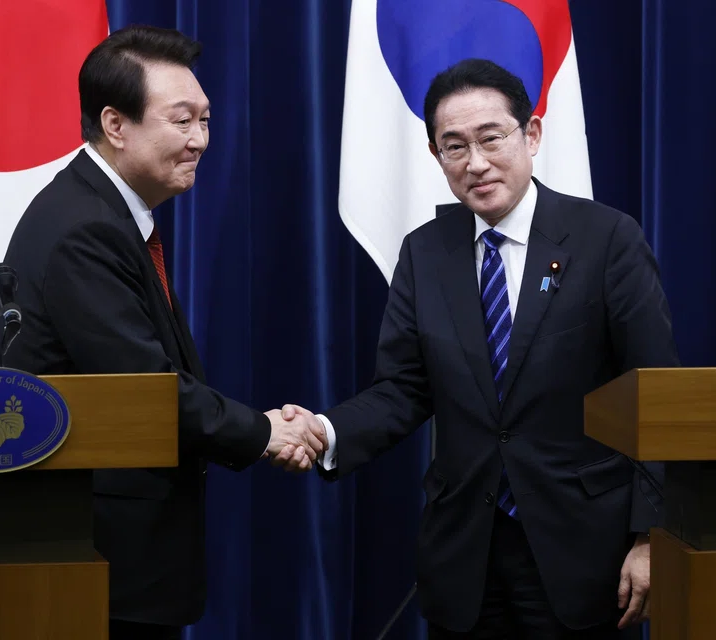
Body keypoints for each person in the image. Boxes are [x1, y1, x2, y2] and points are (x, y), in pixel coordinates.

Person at [277, 58, 679, 639]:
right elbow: (403, 389)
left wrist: (650, 535)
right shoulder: (425, 253)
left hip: (582, 549)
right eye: (454, 147)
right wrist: (323, 431)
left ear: (532, 134)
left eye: (492, 138)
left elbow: (655, 391)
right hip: (466, 554)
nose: (477, 163)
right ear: (437, 156)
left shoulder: (606, 239)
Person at [0, 25, 326, 640]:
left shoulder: (105, 211)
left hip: (117, 554)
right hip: (97, 556)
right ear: (116, 125)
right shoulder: (85, 228)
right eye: (182, 121)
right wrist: (266, 432)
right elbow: (144, 389)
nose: (201, 140)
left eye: (205, 120)